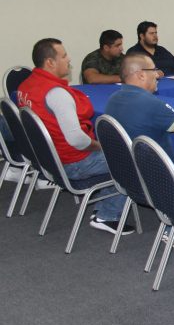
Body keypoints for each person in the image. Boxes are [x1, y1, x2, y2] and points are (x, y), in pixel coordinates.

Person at [105, 54, 174, 250]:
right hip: (157, 175)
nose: (158, 75)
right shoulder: (149, 103)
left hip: (128, 172)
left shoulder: (114, 99)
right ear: (141, 75)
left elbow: (158, 115)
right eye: (154, 70)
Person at [16, 38, 130, 234]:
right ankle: (108, 215)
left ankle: (106, 199)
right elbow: (77, 139)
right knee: (130, 159)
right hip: (72, 162)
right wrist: (99, 146)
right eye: (64, 56)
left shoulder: (25, 86)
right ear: (50, 62)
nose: (69, 59)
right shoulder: (56, 94)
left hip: (48, 159)